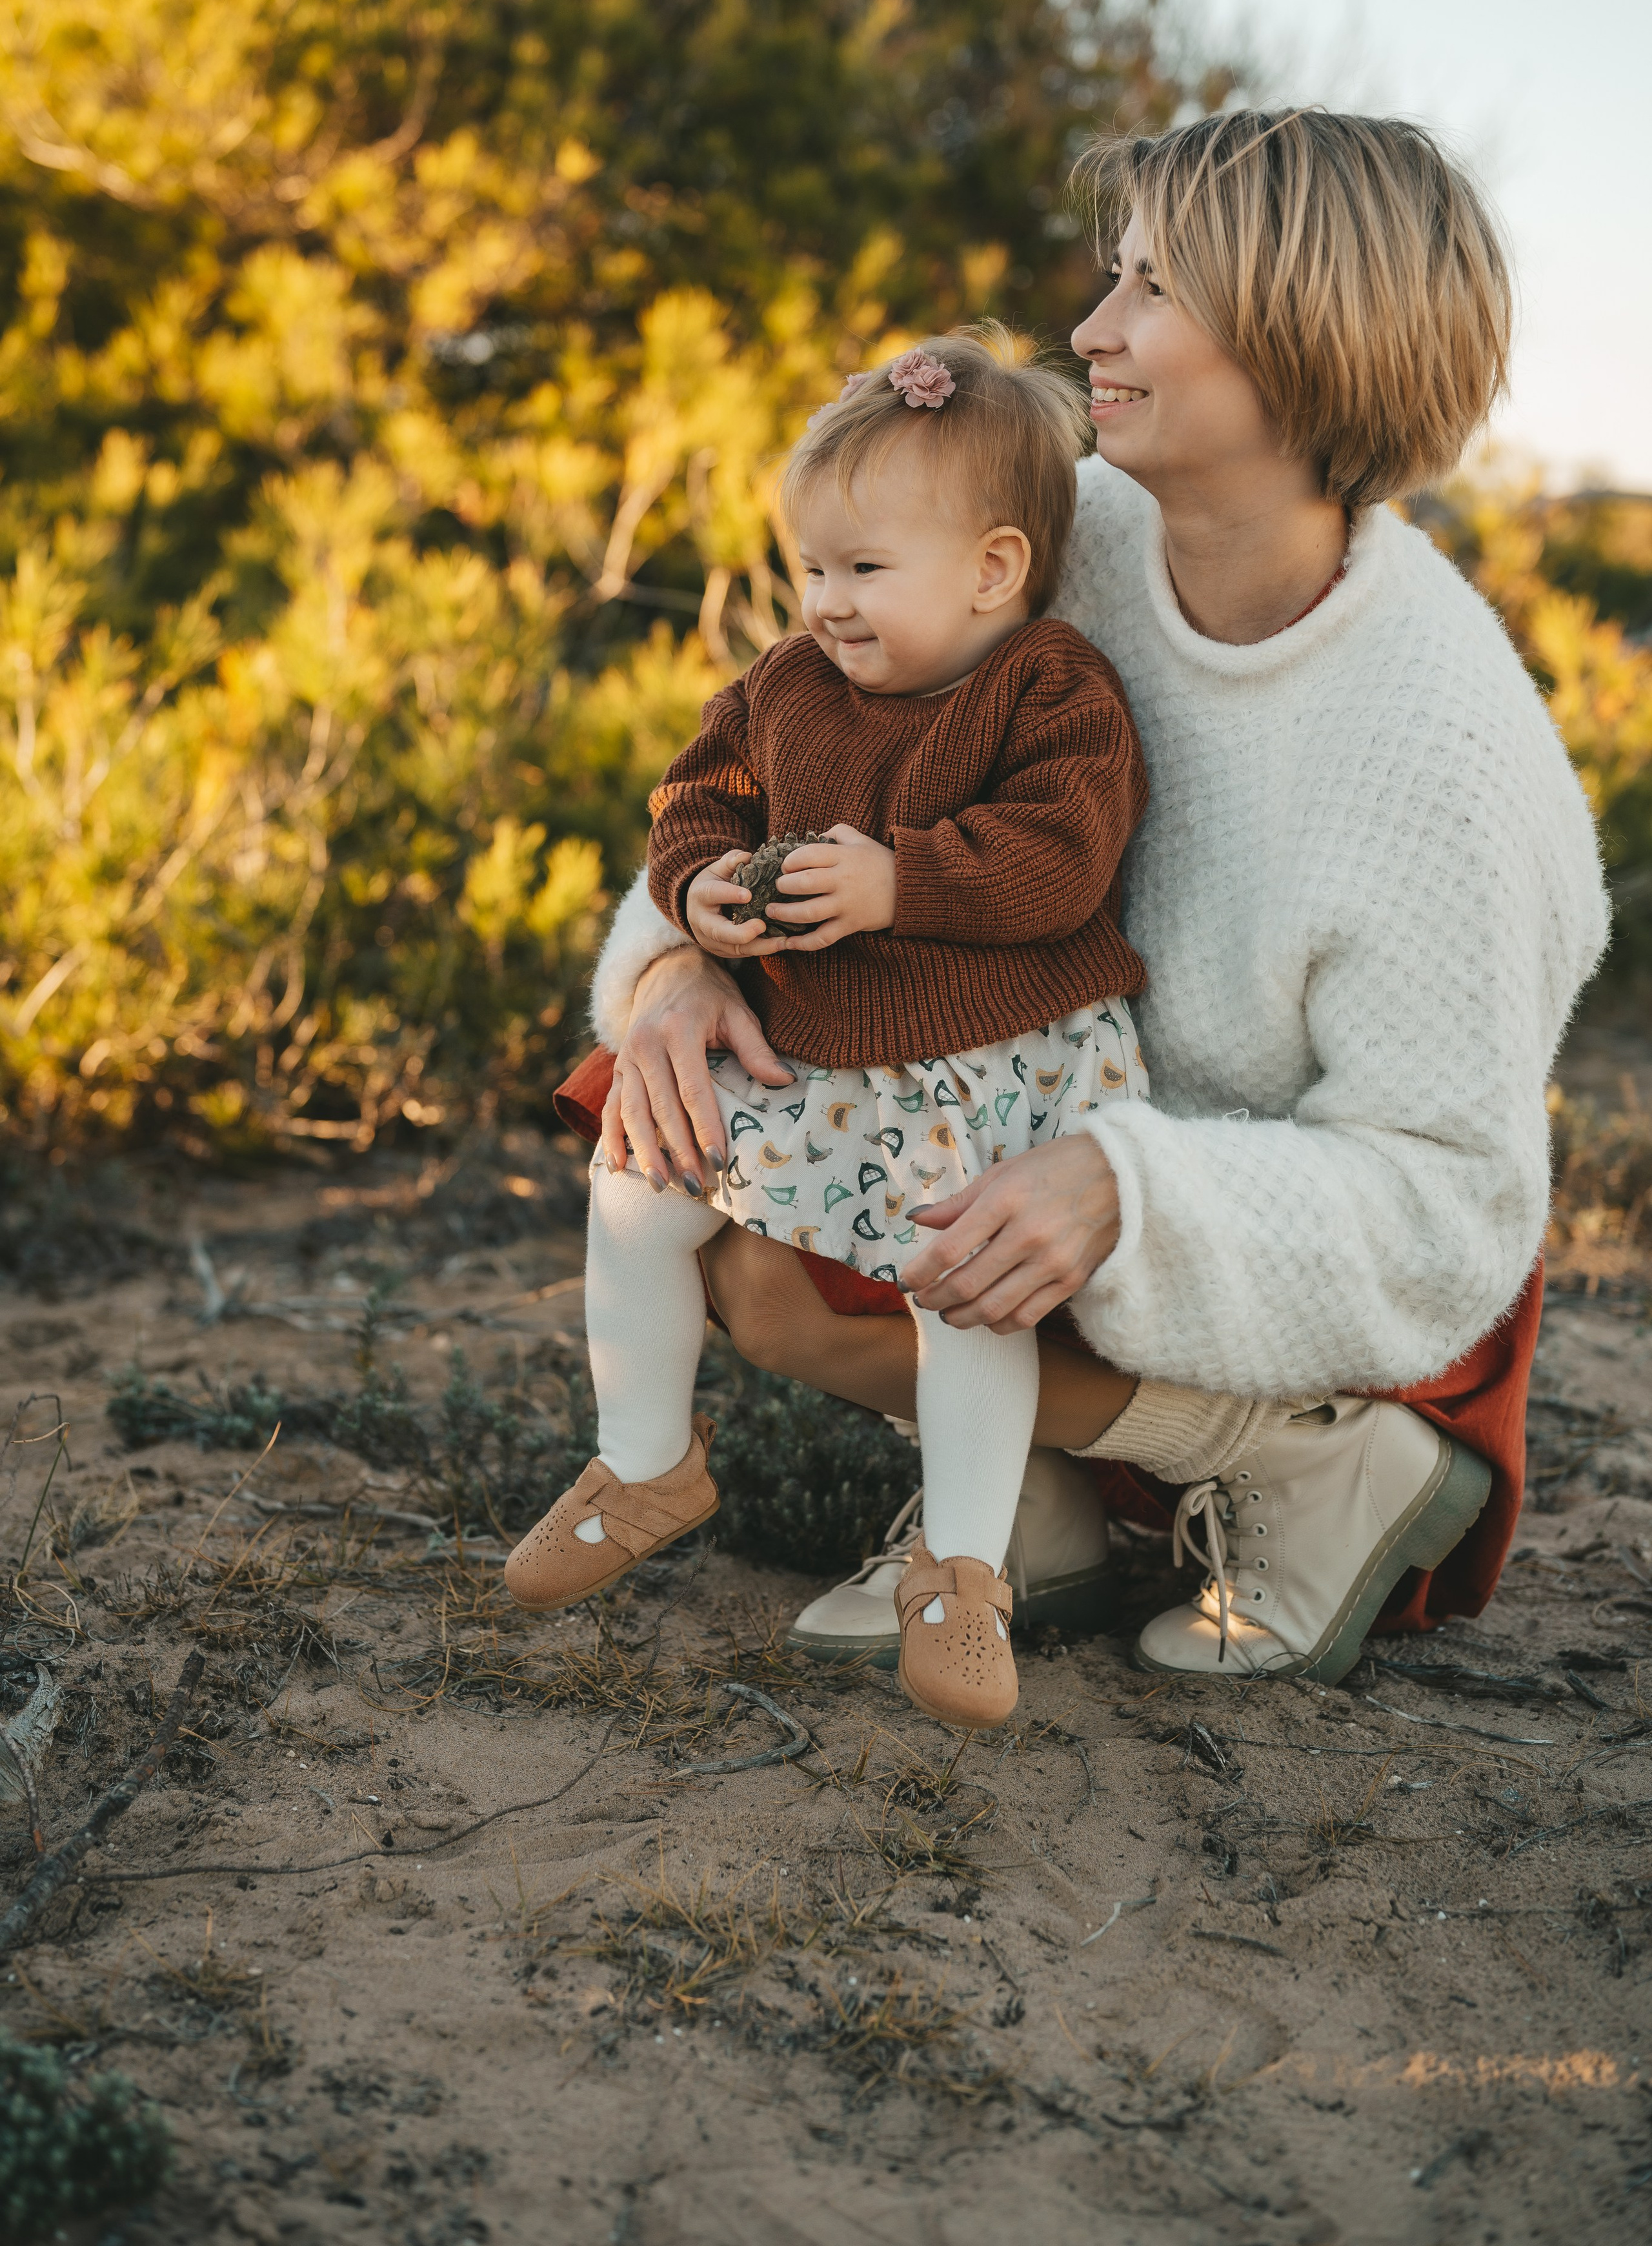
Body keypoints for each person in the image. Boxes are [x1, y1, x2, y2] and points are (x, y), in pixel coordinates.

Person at [570, 108, 1610, 1684]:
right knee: (711, 1196)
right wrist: (674, 973)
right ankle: (1026, 1510)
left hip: (1324, 1281)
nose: (1087, 328)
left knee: (909, 1237)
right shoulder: (1067, 538)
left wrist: (1129, 1188)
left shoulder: (1439, 755)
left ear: (1299, 343)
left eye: (1150, 291)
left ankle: (1318, 1467)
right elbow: (810, 745)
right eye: (1108, 275)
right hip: (1023, 1124)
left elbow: (1445, 1208)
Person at [508, 329, 1243, 1728]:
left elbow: (1065, 855)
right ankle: (645, 1456)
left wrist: (902, 878)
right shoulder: (787, 684)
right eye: (810, 567)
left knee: (957, 1282)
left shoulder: (1050, 689)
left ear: (991, 567)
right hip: (833, 1053)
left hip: (993, 1060)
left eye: (862, 570)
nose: (826, 603)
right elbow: (693, 799)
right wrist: (699, 888)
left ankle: (964, 1567)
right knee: (637, 1176)